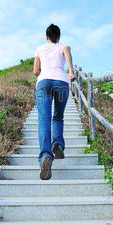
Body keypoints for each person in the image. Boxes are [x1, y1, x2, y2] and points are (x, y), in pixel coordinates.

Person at [33, 24, 75, 180]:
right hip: (61, 83)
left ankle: (46, 156)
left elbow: (35, 71)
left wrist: (43, 71)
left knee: (44, 120)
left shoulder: (40, 49)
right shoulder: (64, 47)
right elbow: (67, 53)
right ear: (59, 36)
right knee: (58, 117)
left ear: (46, 37)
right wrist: (70, 71)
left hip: (43, 82)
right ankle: (57, 144)